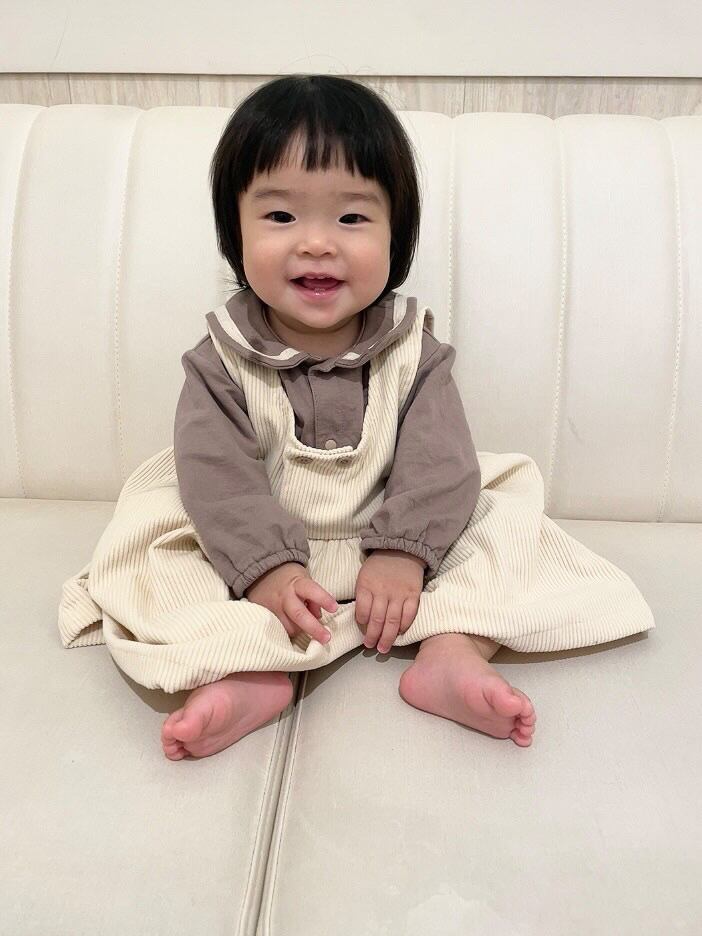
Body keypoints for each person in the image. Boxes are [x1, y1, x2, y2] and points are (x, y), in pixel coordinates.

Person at [57, 74, 655, 761]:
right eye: (281, 217)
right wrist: (265, 570)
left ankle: (452, 650)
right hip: (253, 540)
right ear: (234, 232)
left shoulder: (413, 351)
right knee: (152, 549)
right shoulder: (219, 360)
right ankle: (245, 669)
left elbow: (439, 459)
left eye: (351, 218)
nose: (316, 243)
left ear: (397, 235)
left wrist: (404, 551)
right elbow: (217, 481)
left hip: (393, 532)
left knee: (505, 521)